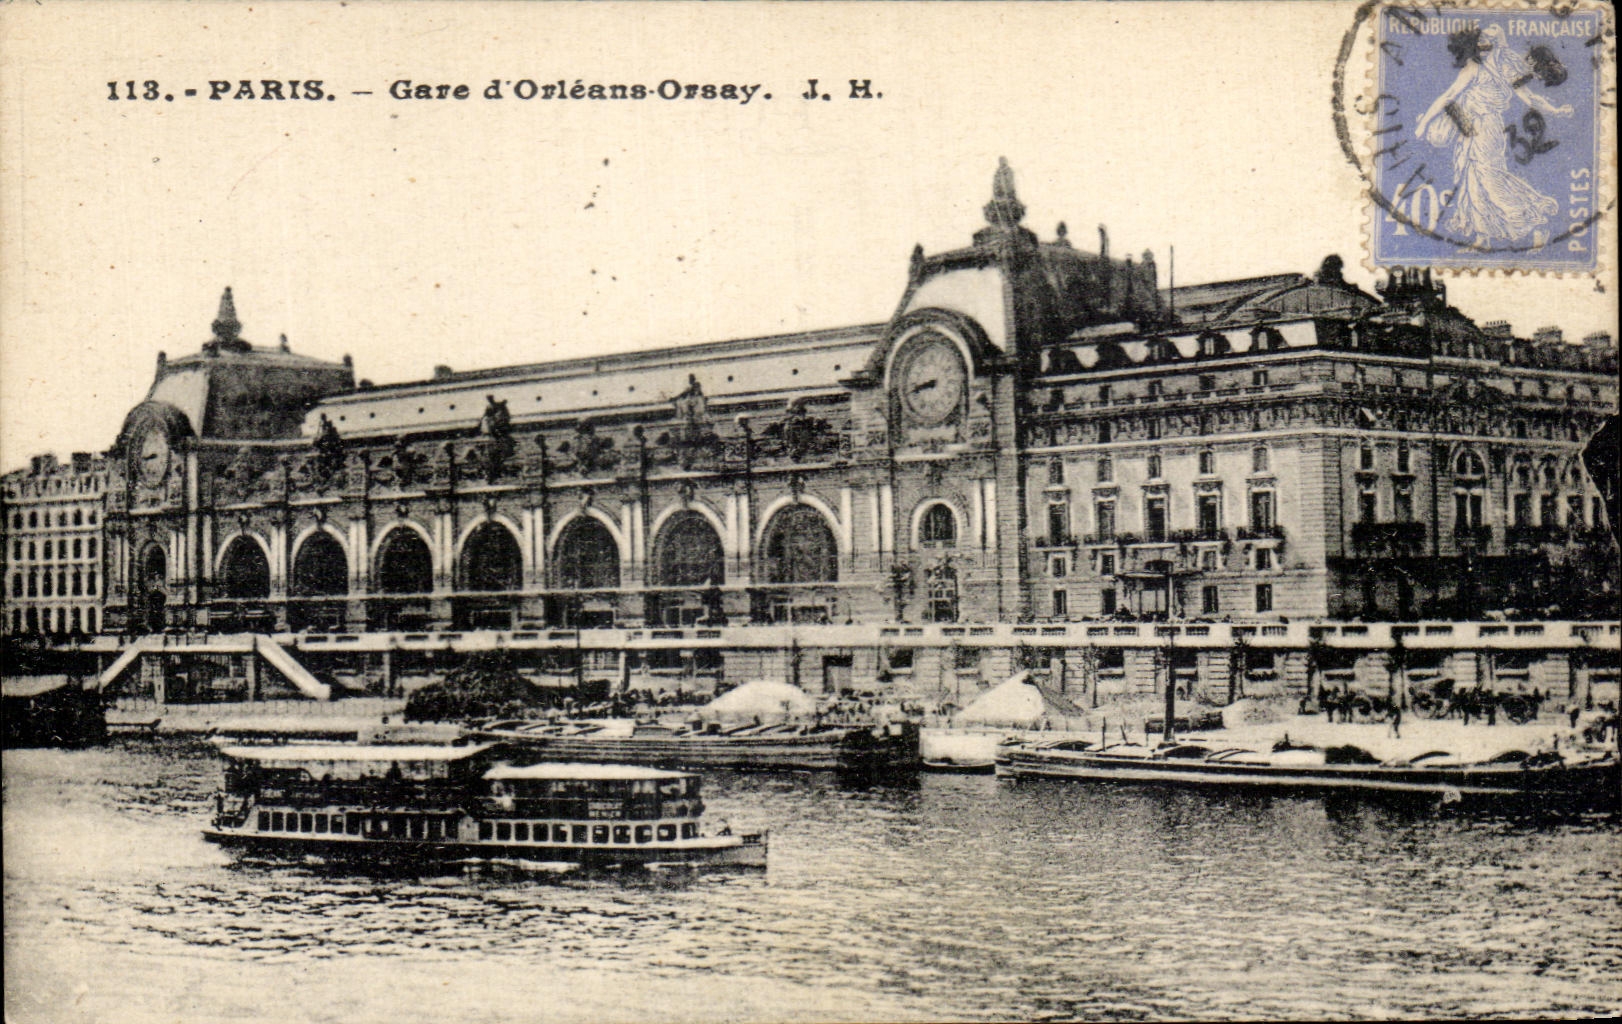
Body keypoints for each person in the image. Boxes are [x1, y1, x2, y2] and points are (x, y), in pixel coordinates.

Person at [1414, 24, 1574, 249]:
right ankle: (1482, 236)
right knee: (1470, 179)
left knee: (1490, 179)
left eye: (1486, 41)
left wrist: (1556, 111)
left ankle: (1532, 221)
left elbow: (1531, 98)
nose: (1483, 44)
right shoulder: (1482, 65)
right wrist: (1425, 124)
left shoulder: (1505, 67)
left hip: (1487, 128)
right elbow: (1450, 96)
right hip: (1470, 125)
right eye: (1481, 41)